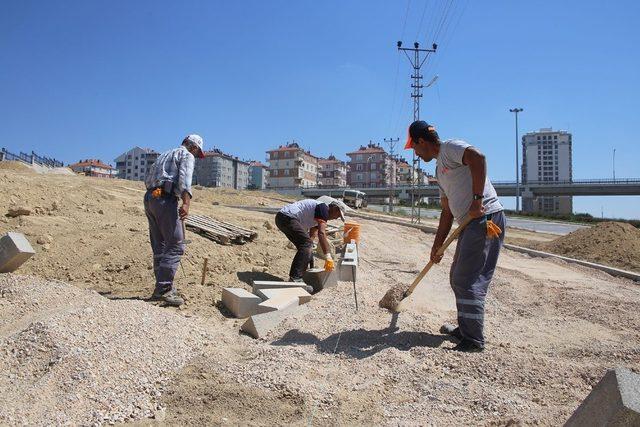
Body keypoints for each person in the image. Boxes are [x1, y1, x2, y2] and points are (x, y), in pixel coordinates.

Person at [405, 120, 505, 352]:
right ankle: (465, 329)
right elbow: (447, 211)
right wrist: (437, 245)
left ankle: (473, 340)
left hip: (485, 219)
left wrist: (477, 200)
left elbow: (478, 158)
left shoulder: (450, 148)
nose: (416, 155)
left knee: (466, 279)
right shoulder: (440, 170)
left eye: (415, 149)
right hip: (470, 223)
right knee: (457, 276)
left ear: (421, 141)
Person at [143, 134, 204, 306]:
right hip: (165, 198)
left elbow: (148, 179)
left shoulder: (164, 154)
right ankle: (163, 289)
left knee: (160, 245)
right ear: (193, 147)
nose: (196, 156)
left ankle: (161, 287)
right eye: (197, 152)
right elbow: (185, 179)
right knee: (177, 244)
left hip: (151, 197)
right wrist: (186, 203)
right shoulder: (186, 155)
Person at [275, 197, 348, 282]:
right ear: (335, 209)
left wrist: (308, 252)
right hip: (287, 217)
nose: (336, 218)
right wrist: (328, 256)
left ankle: (301, 275)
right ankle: (295, 278)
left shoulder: (321, 213)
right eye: (338, 215)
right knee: (306, 244)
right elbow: (321, 233)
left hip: (283, 218)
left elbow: (313, 233)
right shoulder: (323, 208)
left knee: (305, 246)